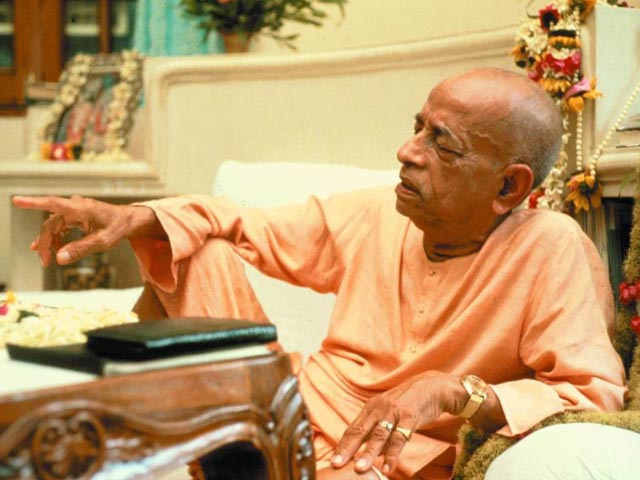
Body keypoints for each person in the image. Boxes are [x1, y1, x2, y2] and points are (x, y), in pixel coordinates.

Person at [13, 68, 629, 479]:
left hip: (386, 458)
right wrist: (136, 216)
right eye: (416, 127)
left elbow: (591, 397)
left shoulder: (550, 247)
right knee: (198, 248)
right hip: (287, 415)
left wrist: (451, 392)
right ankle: (218, 445)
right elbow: (239, 224)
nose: (407, 152)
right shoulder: (376, 210)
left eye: (441, 144)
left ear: (508, 187)